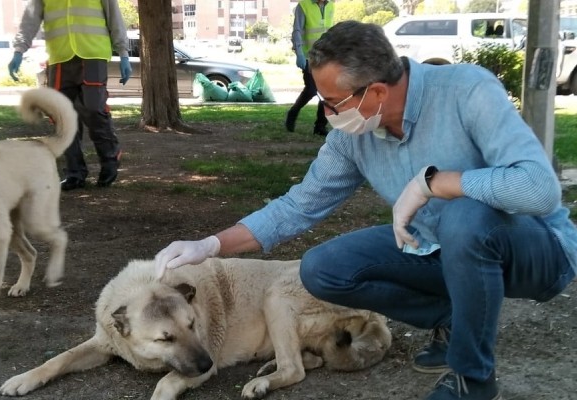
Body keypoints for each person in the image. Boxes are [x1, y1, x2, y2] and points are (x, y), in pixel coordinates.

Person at [153, 20, 577, 400]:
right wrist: (210, 244)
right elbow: (300, 205)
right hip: (438, 249)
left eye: (333, 101)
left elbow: (540, 190)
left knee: (465, 214)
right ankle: (457, 316)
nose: (326, 113)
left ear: (375, 91)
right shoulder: (353, 134)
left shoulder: (467, 90)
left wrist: (437, 183)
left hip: (538, 252)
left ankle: (474, 379)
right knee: (322, 267)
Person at [8, 0, 132, 190]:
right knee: (62, 116)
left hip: (93, 54)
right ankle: (75, 172)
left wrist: (123, 53)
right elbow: (30, 19)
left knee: (93, 109)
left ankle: (110, 159)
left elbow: (114, 17)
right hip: (60, 57)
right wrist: (19, 49)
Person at [285, 0, 334, 136]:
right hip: (309, 57)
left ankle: (320, 126)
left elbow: (330, 31)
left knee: (327, 93)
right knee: (312, 90)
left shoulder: (330, 5)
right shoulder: (304, 6)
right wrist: (299, 54)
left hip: (326, 57)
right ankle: (293, 112)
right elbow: (297, 31)